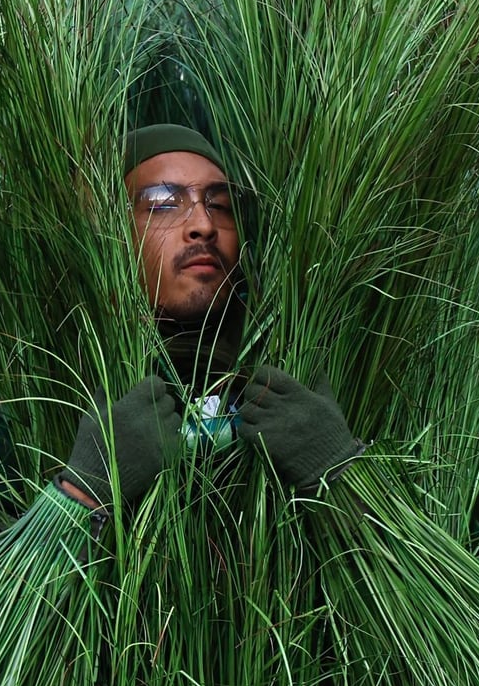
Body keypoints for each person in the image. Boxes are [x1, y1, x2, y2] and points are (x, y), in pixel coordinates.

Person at [55, 124, 364, 520]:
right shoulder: (48, 387)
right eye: (163, 203)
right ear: (109, 235)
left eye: (220, 205)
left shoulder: (309, 380)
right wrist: (85, 491)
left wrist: (336, 469)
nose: (204, 224)